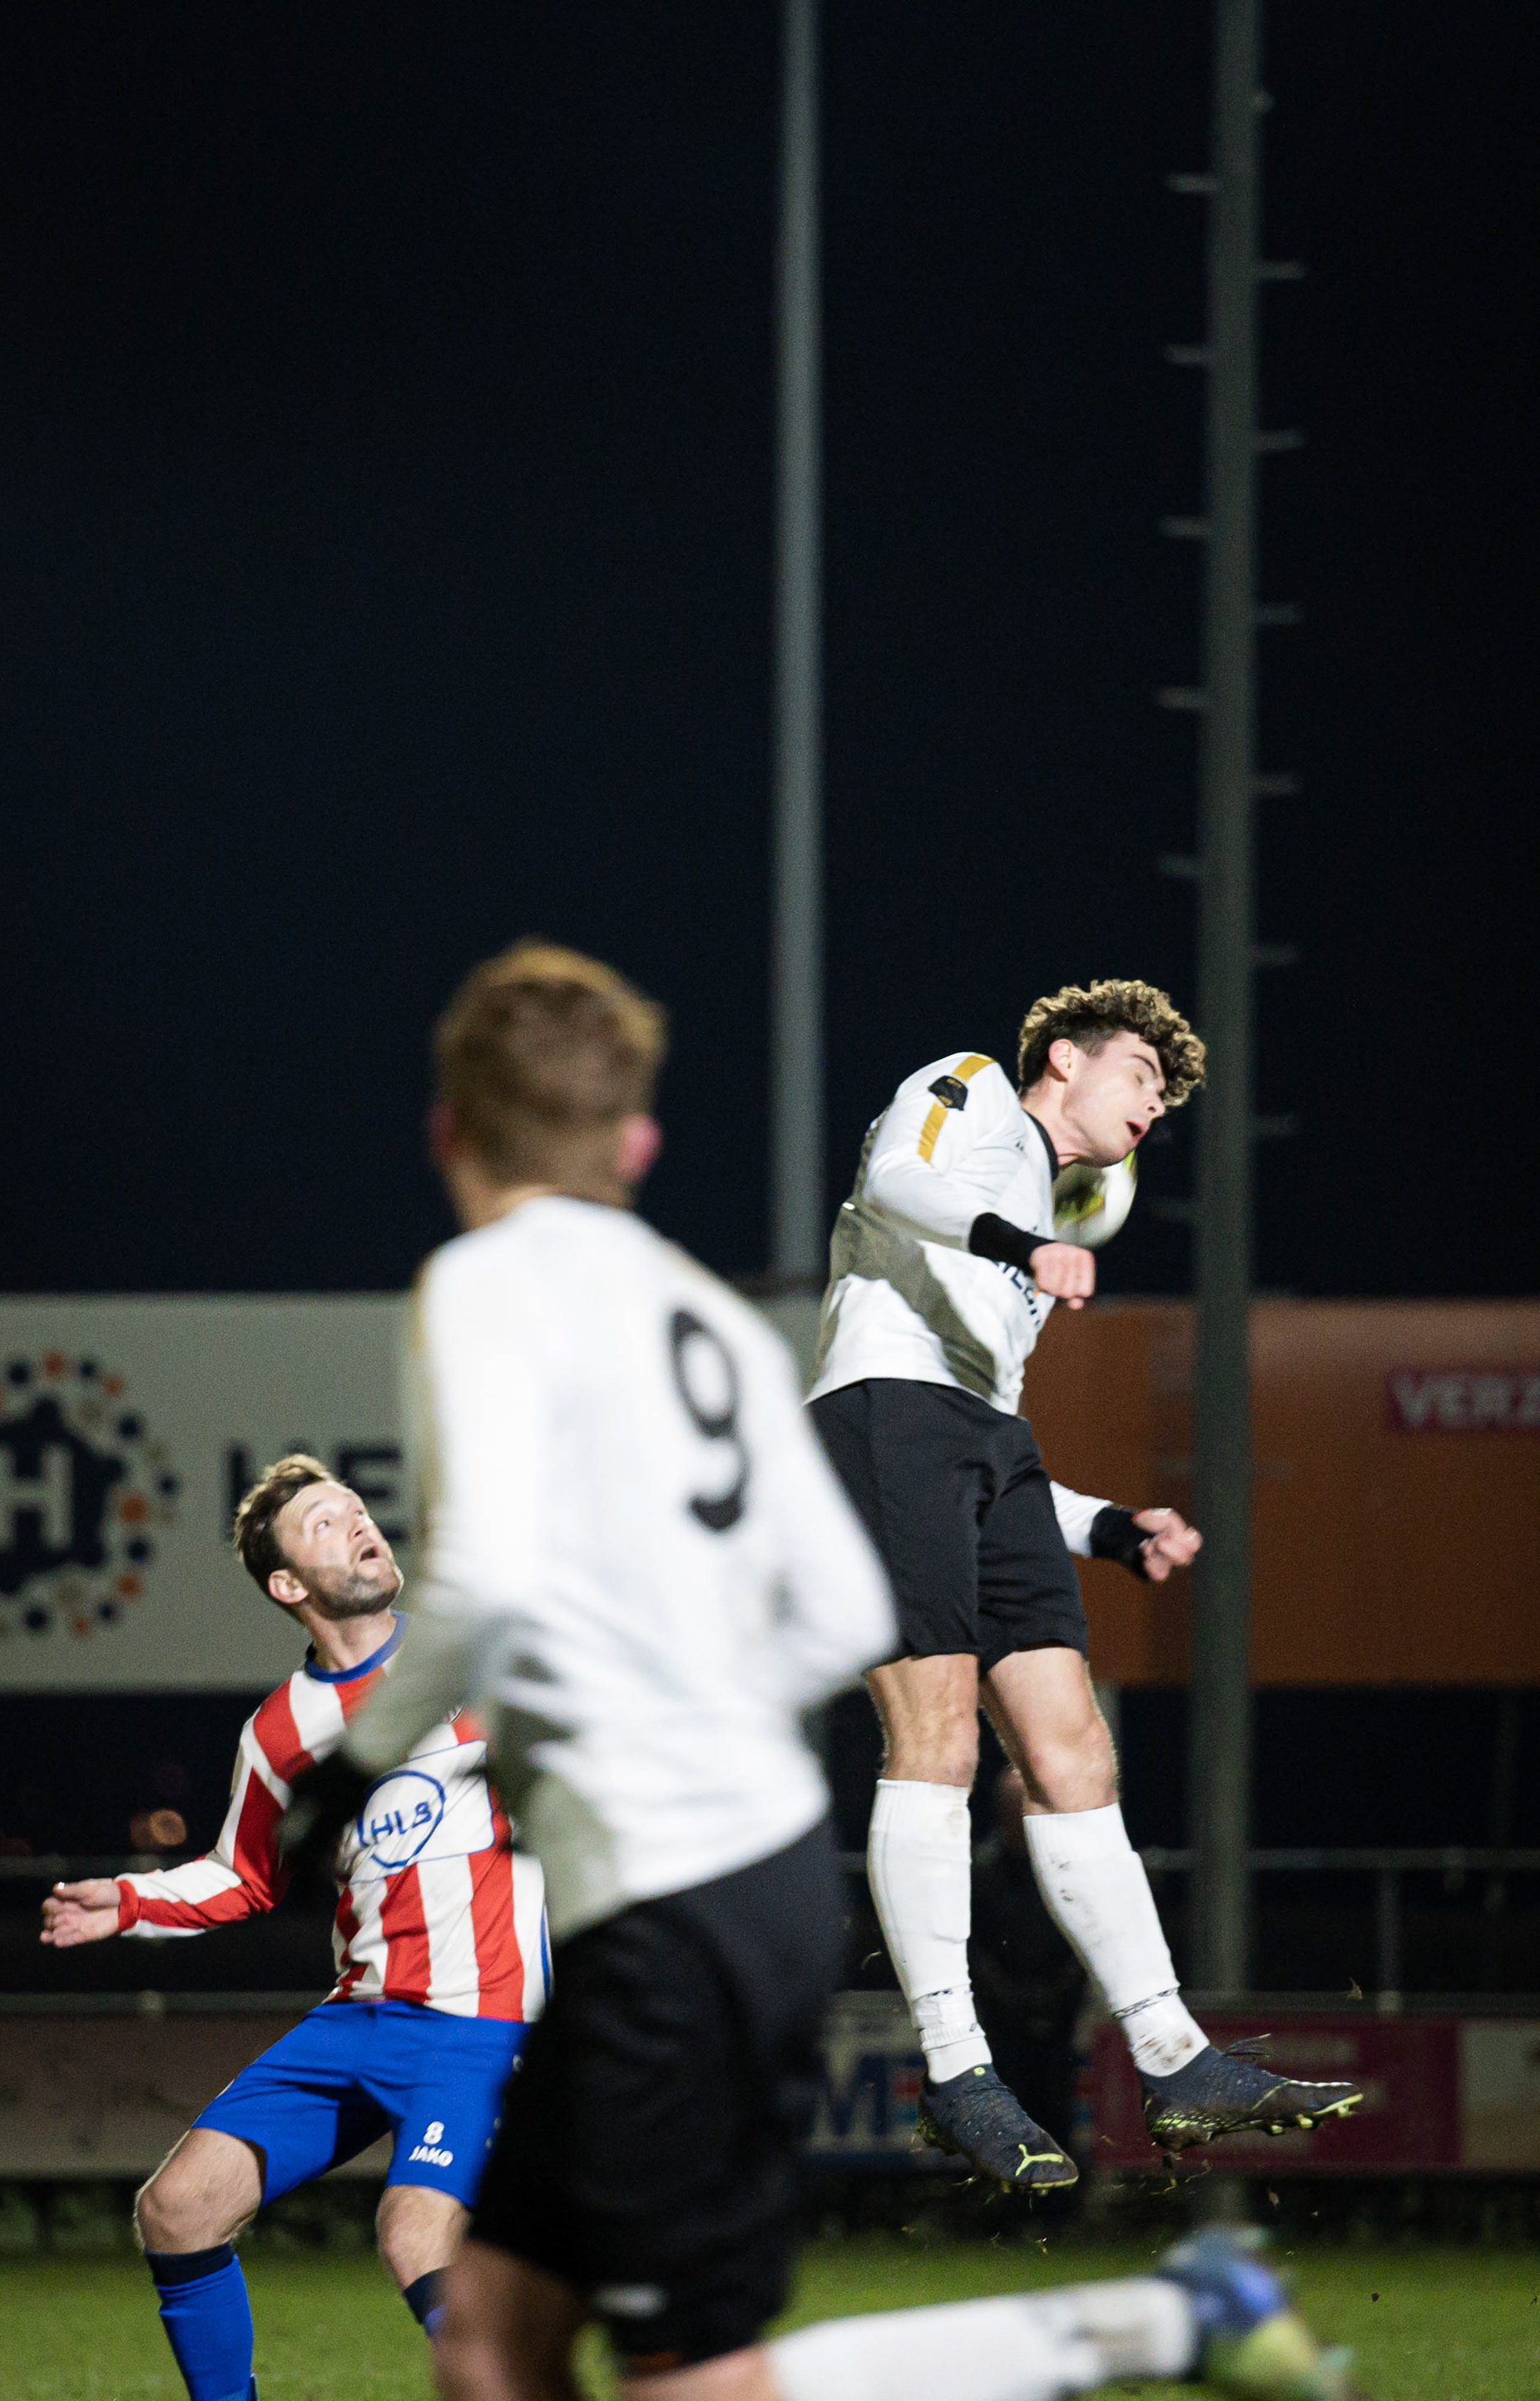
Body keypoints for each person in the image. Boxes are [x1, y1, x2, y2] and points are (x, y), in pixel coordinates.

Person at [278, 942, 1355, 2401]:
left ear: (448, 1131)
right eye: (1141, 1072)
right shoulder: (773, 1258)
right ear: (636, 1144)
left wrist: (349, 1770)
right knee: (494, 2344)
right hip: (762, 1851)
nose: (1155, 1102)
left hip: (676, 1898)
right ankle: (995, 2090)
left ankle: (1160, 2202)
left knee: (676, 2375)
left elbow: (483, 1572)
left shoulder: (496, 1285)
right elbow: (836, 1557)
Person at [805, 983, 1361, 2187]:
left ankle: (1173, 2054)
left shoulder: (1035, 1219)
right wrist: (1027, 1244)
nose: (1154, 1107)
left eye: (1165, 1098)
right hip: (878, 1409)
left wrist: (1109, 1524)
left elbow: (975, 1455)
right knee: (939, 1740)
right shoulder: (970, 1089)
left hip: (985, 1435)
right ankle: (956, 2070)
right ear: (1064, 1057)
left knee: (1074, 1753)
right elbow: (894, 1180)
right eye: (1141, 1078)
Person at [41, 1455, 545, 2401]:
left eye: (358, 1509)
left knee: (414, 2234)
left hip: (479, 2017)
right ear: (288, 1585)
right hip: (358, 2017)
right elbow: (245, 1876)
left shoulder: (474, 1658)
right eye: (324, 1522)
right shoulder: (281, 1731)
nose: (359, 1524)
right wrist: (131, 1900)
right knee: (178, 2209)